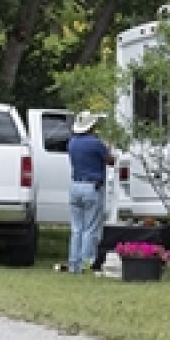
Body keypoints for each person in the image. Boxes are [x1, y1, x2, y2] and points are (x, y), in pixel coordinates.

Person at [62, 110, 111, 274]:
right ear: (91, 126)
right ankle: (87, 263)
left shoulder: (72, 143)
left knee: (76, 228)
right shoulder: (96, 143)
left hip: (75, 185)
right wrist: (108, 148)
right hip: (92, 186)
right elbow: (110, 160)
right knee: (90, 228)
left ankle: (73, 263)